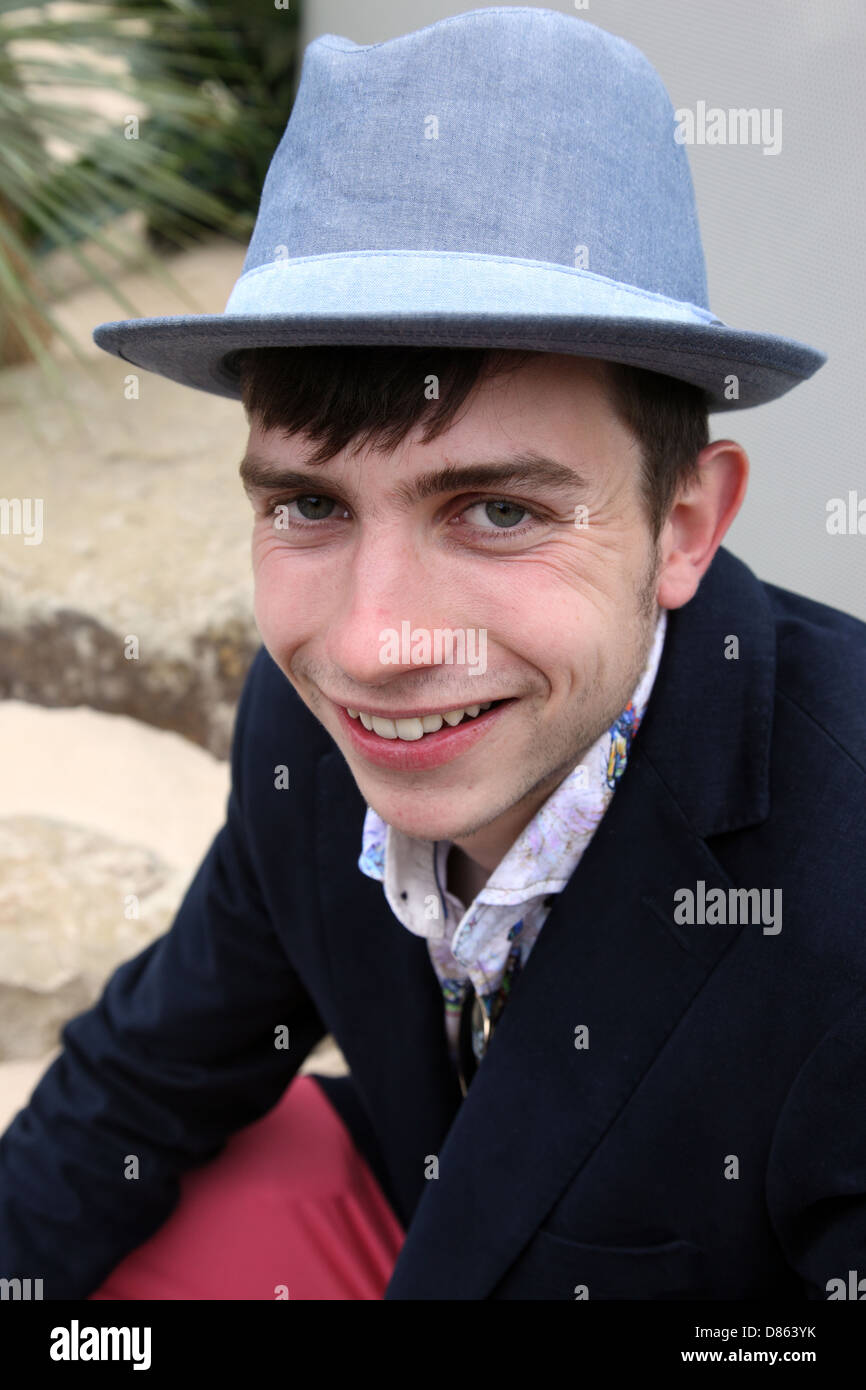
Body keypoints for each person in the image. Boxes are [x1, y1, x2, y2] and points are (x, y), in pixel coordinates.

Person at [2, 8, 864, 1302]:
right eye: (310, 505)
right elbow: (146, 1082)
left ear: (681, 523)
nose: (369, 644)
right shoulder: (304, 731)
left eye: (497, 510)